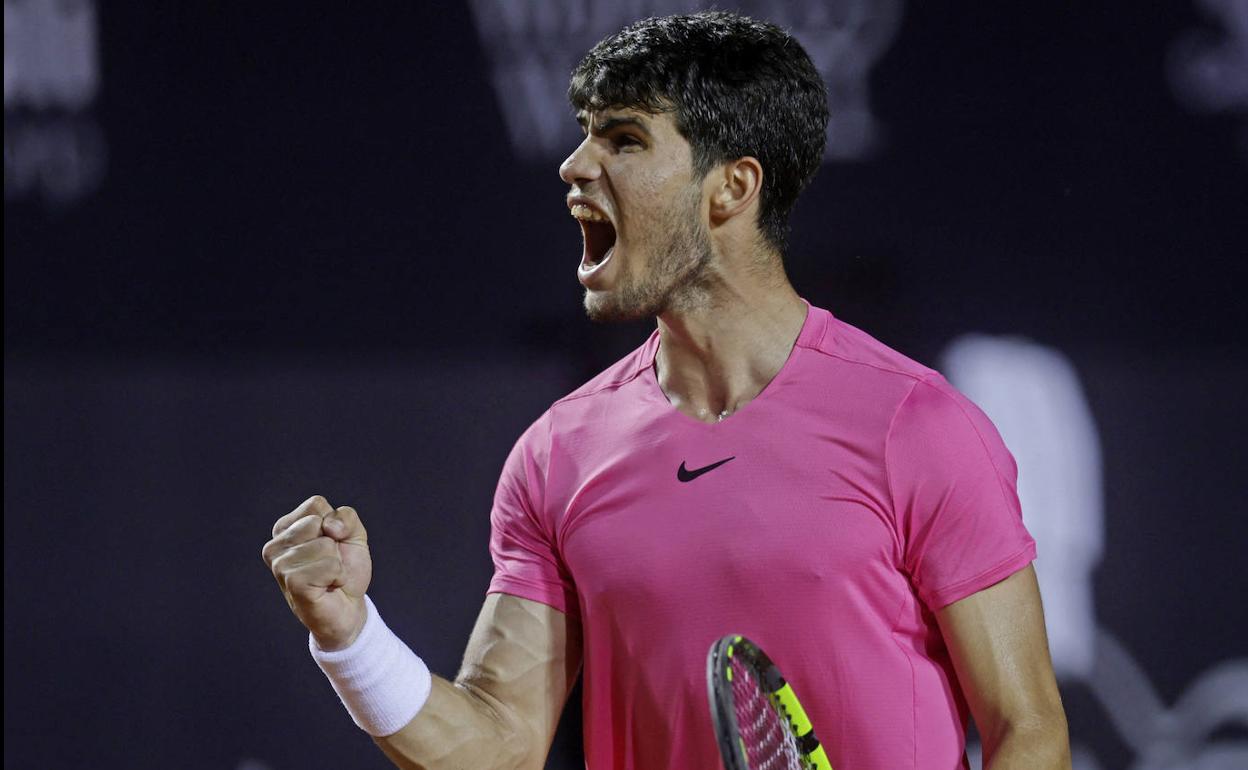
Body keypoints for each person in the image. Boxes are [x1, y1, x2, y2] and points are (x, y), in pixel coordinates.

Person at [262, 11, 1071, 769]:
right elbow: (499, 745)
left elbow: (1025, 729)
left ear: (731, 188)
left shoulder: (914, 426)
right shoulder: (558, 456)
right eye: (585, 136)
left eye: (624, 140)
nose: (575, 166)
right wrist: (350, 635)